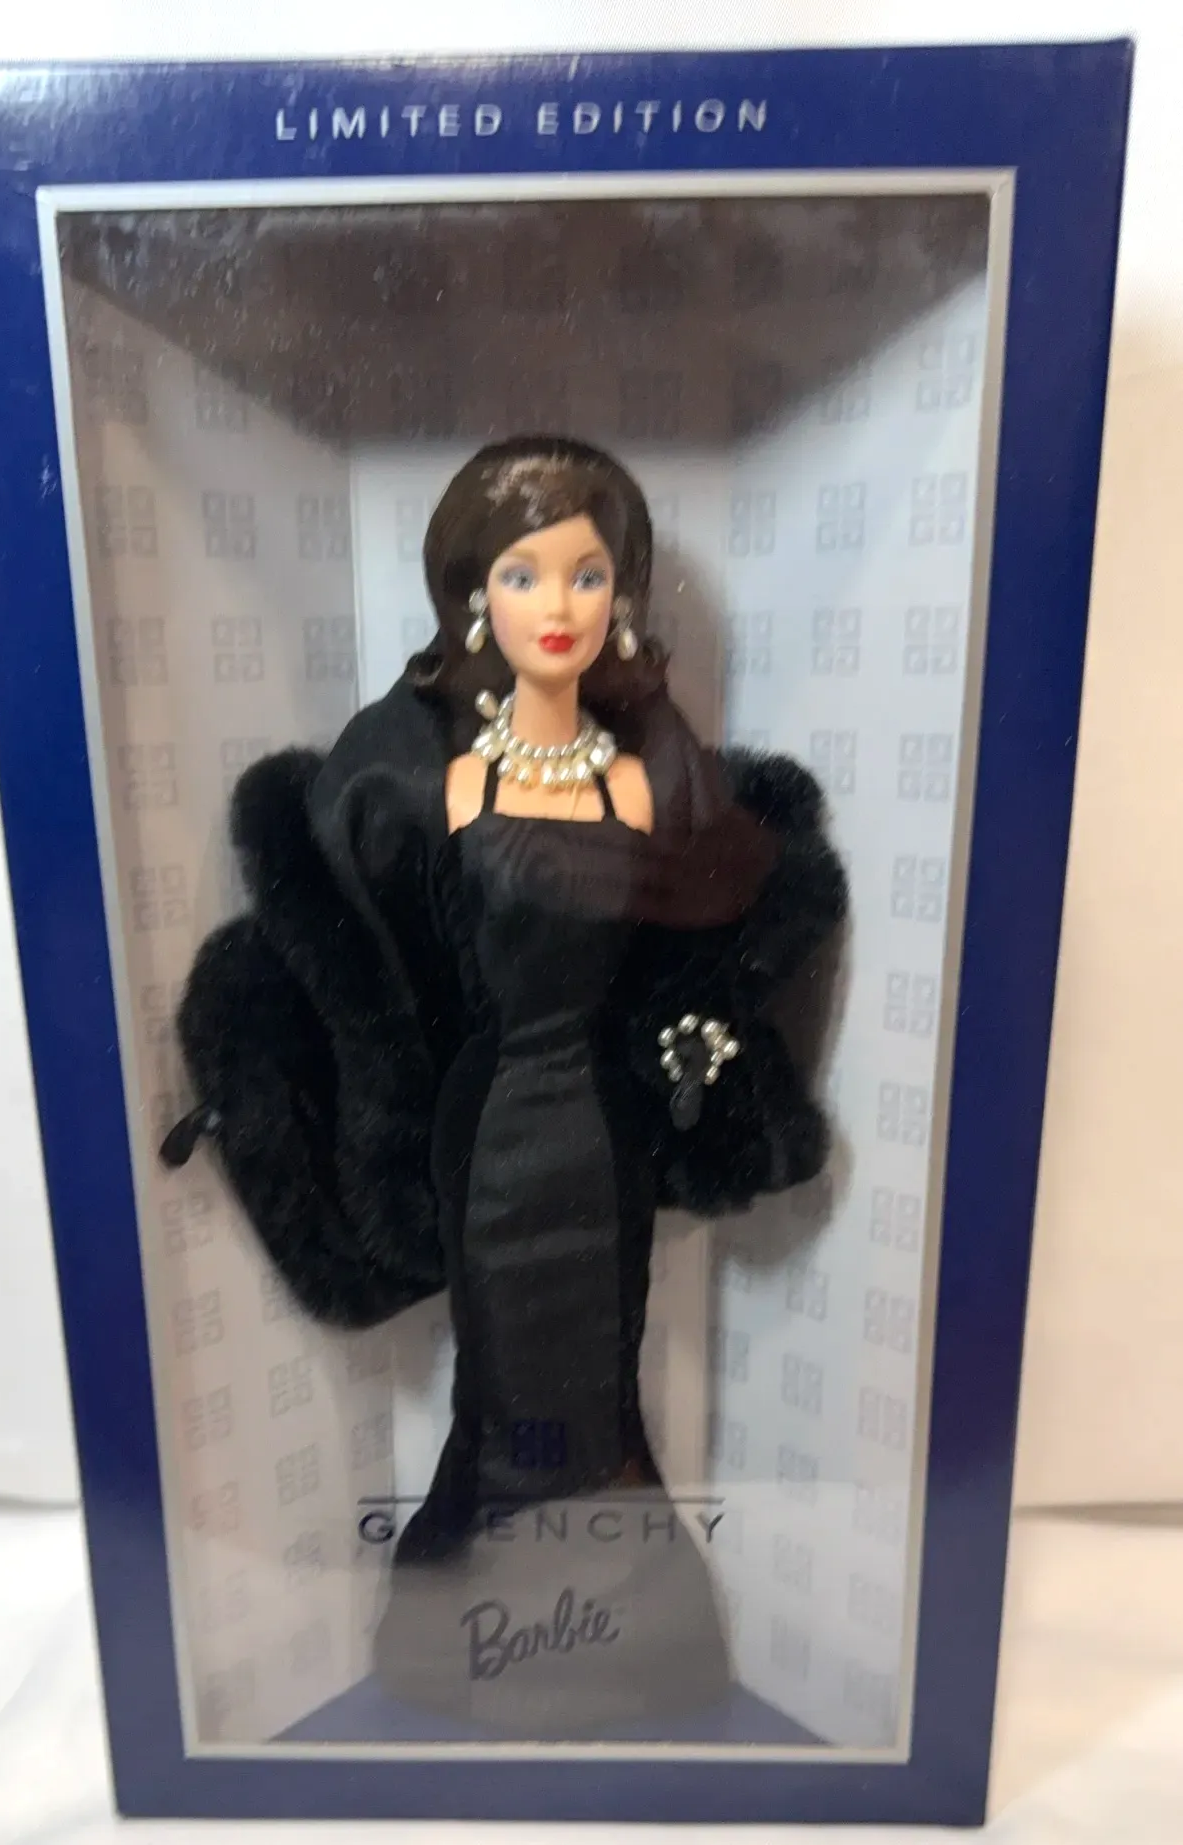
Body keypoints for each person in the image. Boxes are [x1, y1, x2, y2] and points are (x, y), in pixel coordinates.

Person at [165, 435, 847, 1736]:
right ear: (475, 597)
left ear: (621, 594)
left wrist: (694, 1053)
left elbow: (710, 929)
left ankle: (617, 1621)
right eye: (524, 574)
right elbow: (369, 962)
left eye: (586, 574)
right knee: (506, 1370)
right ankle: (467, 1611)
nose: (558, 604)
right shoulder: (436, 781)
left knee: (598, 1361)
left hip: (605, 1127)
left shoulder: (646, 776)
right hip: (486, 1127)